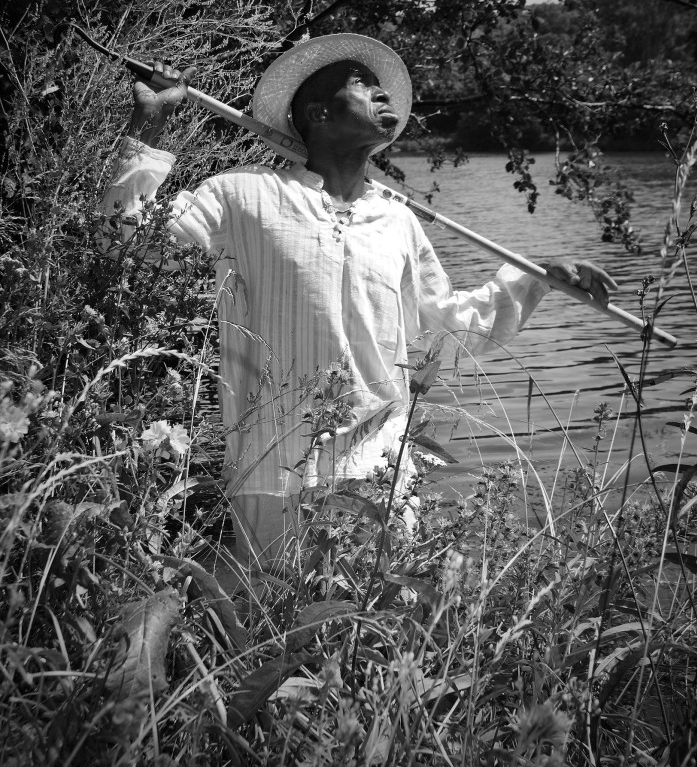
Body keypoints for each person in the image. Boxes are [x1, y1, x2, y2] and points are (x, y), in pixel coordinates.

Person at [100, 33, 616, 572]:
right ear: (319, 112)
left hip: (381, 471)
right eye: (362, 84)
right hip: (272, 470)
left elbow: (456, 328)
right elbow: (127, 243)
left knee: (375, 632)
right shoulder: (242, 195)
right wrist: (148, 124)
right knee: (274, 630)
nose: (384, 94)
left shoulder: (396, 221)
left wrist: (538, 279)